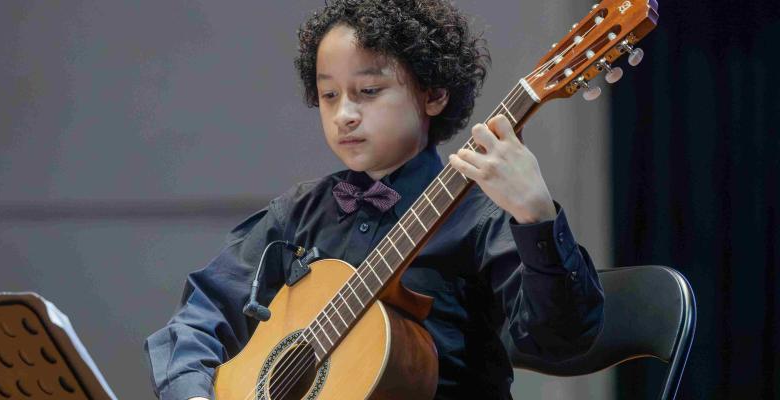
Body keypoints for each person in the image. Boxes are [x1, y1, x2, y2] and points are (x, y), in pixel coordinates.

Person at [144, 1, 604, 399]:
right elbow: (200, 317)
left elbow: (559, 341)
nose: (344, 114)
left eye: (368, 91)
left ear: (434, 94)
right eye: (328, 95)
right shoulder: (300, 214)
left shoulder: (480, 216)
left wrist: (536, 217)